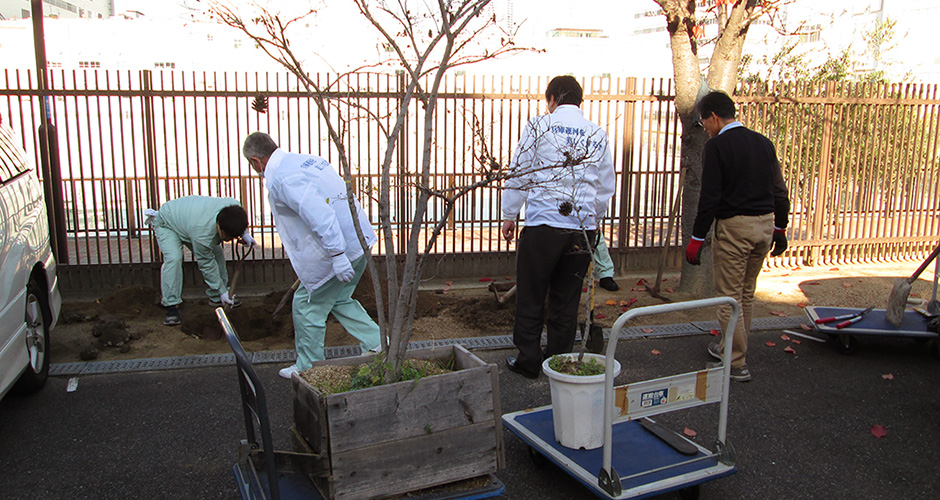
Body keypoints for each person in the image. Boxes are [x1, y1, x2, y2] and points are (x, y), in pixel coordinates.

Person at [501, 76, 616, 379]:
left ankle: (528, 361)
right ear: (580, 101)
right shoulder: (597, 133)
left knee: (532, 294)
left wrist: (509, 213)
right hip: (581, 228)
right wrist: (594, 219)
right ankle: (559, 363)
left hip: (543, 226)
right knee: (567, 299)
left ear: (552, 98)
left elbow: (520, 170)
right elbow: (605, 186)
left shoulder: (539, 126)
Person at [241, 132, 381, 380]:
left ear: (256, 161)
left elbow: (319, 214)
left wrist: (337, 255)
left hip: (337, 249)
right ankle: (377, 344)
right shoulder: (307, 161)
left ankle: (309, 369)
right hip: (358, 239)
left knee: (306, 306)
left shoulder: (283, 178)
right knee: (338, 298)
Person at [684, 90, 790, 383]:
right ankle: (729, 348)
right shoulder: (763, 143)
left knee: (729, 297)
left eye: (705, 122)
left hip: (735, 228)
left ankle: (736, 362)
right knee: (745, 294)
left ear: (714, 117)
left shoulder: (717, 147)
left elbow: (710, 197)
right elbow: (780, 190)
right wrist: (780, 228)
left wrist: (697, 236)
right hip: (765, 226)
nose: (705, 128)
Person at [146, 196, 254, 326]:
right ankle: (171, 305)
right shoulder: (202, 234)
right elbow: (207, 266)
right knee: (174, 258)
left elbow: (238, 220)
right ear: (218, 225)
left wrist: (245, 234)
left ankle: (217, 298)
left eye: (231, 237)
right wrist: (222, 290)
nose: (227, 239)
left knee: (218, 254)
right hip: (168, 223)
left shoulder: (233, 207)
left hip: (189, 221)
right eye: (225, 235)